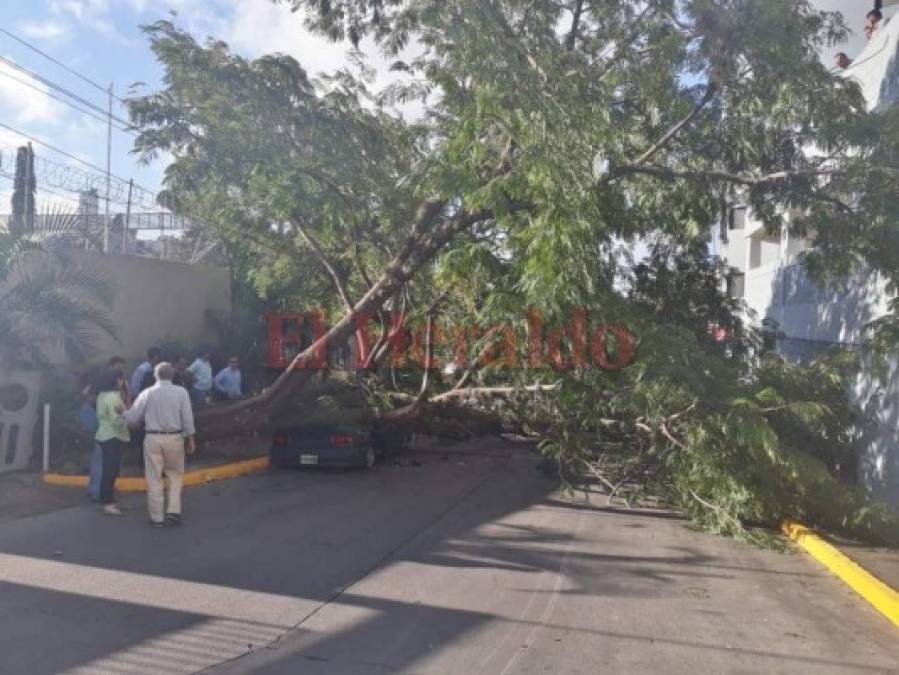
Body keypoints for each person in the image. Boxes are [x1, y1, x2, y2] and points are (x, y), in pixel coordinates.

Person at [126, 362, 196, 527]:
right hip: (175, 438)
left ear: (155, 376)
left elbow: (133, 417)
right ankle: (173, 512)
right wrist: (191, 438)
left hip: (153, 438)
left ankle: (157, 517)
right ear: (172, 375)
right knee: (175, 475)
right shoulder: (182, 392)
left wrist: (122, 413)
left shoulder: (147, 393)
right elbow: (187, 417)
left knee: (154, 477)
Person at [83, 356, 129, 501]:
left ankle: (96, 490)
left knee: (100, 457)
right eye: (119, 367)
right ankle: (99, 492)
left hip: (102, 421)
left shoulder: (102, 384)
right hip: (108, 424)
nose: (121, 371)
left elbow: (86, 394)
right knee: (104, 459)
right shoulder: (109, 389)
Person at [95, 368, 130, 517]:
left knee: (109, 469)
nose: (123, 381)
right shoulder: (113, 398)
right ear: (115, 380)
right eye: (121, 378)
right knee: (112, 470)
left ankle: (108, 499)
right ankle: (107, 502)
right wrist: (126, 416)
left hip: (104, 435)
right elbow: (117, 420)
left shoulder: (102, 396)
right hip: (113, 436)